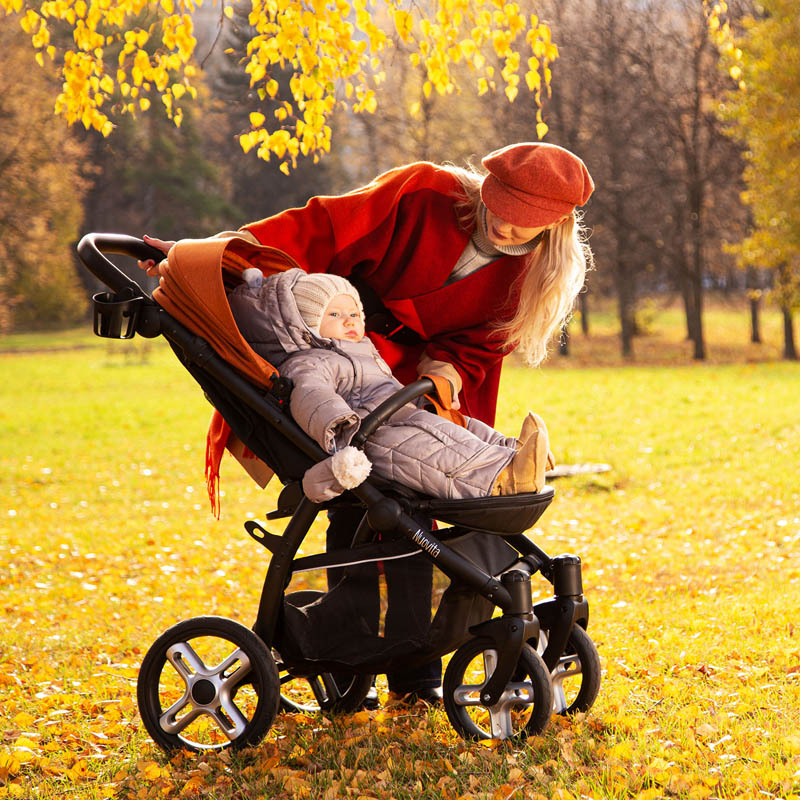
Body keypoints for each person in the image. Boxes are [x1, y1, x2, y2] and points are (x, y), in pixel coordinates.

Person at [139, 140, 595, 705]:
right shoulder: (424, 193)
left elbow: (479, 343)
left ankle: (415, 667)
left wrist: (441, 379)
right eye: (501, 211)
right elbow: (317, 229)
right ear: (487, 188)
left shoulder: (529, 269)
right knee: (360, 506)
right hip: (334, 355)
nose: (505, 229)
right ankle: (353, 658)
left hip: (411, 386)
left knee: (415, 511)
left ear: (554, 227)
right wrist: (201, 261)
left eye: (525, 225)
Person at [228, 268, 552, 501]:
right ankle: (499, 480)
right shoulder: (308, 363)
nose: (351, 320)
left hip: (397, 413)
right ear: (305, 327)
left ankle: (512, 454)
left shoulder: (360, 351)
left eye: (355, 313)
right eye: (336, 314)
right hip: (369, 435)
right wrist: (340, 423)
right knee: (431, 452)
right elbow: (312, 396)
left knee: (460, 427)